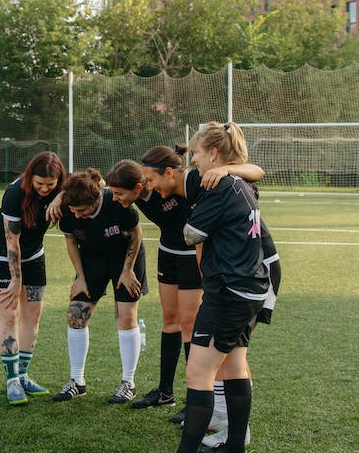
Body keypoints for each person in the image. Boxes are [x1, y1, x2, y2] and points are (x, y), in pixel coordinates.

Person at [142, 123, 270, 453]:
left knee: (198, 372)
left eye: (196, 153)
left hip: (228, 292)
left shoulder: (219, 185)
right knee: (232, 366)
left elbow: (191, 233)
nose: (193, 159)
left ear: (213, 154)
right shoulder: (240, 182)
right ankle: (234, 448)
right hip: (250, 289)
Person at [105, 151, 263, 421]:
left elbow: (254, 172)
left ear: (141, 186)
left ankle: (197, 398)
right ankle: (165, 391)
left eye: (120, 194)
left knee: (190, 324)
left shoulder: (175, 183)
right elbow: (95, 186)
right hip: (169, 253)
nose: (116, 199)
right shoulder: (139, 187)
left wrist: (224, 170)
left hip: (194, 255)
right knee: (169, 321)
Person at [52, 167, 148, 404]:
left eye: (81, 211)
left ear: (96, 200)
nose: (76, 215)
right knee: (76, 315)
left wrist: (127, 271)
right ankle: (77, 381)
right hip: (92, 259)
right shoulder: (68, 210)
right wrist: (80, 277)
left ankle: (128, 383)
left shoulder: (117, 205)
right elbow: (71, 241)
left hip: (125, 257)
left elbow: (136, 236)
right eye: (72, 211)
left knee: (126, 317)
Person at [0, 151, 66, 405]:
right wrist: (15, 278)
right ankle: (11, 381)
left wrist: (61, 195)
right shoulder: (15, 193)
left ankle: (23, 375)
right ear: (30, 177)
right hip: (2, 257)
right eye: (39, 184)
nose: (44, 189)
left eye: (50, 185)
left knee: (34, 315)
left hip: (35, 257)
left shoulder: (62, 186)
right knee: (10, 315)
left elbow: (98, 182)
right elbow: (12, 240)